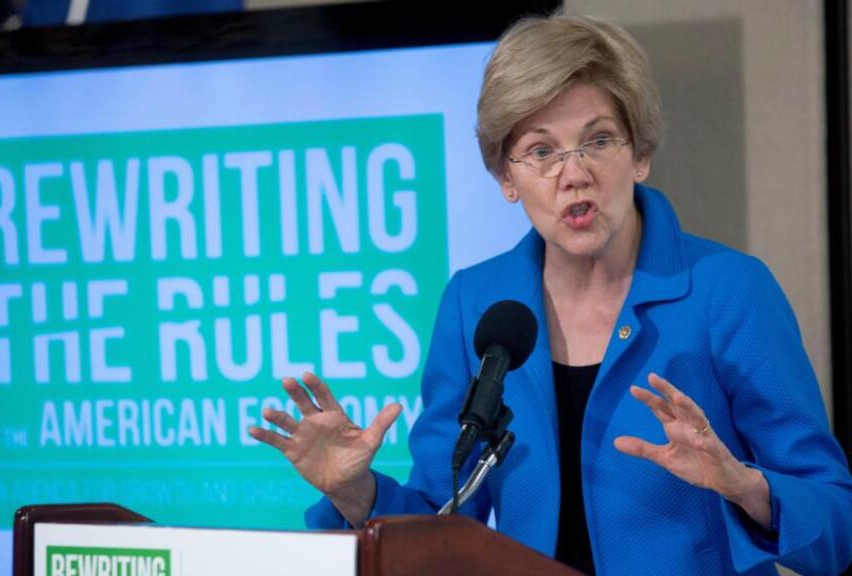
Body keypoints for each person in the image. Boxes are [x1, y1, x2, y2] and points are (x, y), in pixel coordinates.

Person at [249, 14, 852, 575]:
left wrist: (743, 484)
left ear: (639, 155)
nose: (574, 172)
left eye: (598, 140)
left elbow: (837, 526)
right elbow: (441, 514)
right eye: (541, 151)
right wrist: (352, 488)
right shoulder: (475, 304)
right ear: (506, 178)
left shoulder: (729, 293)